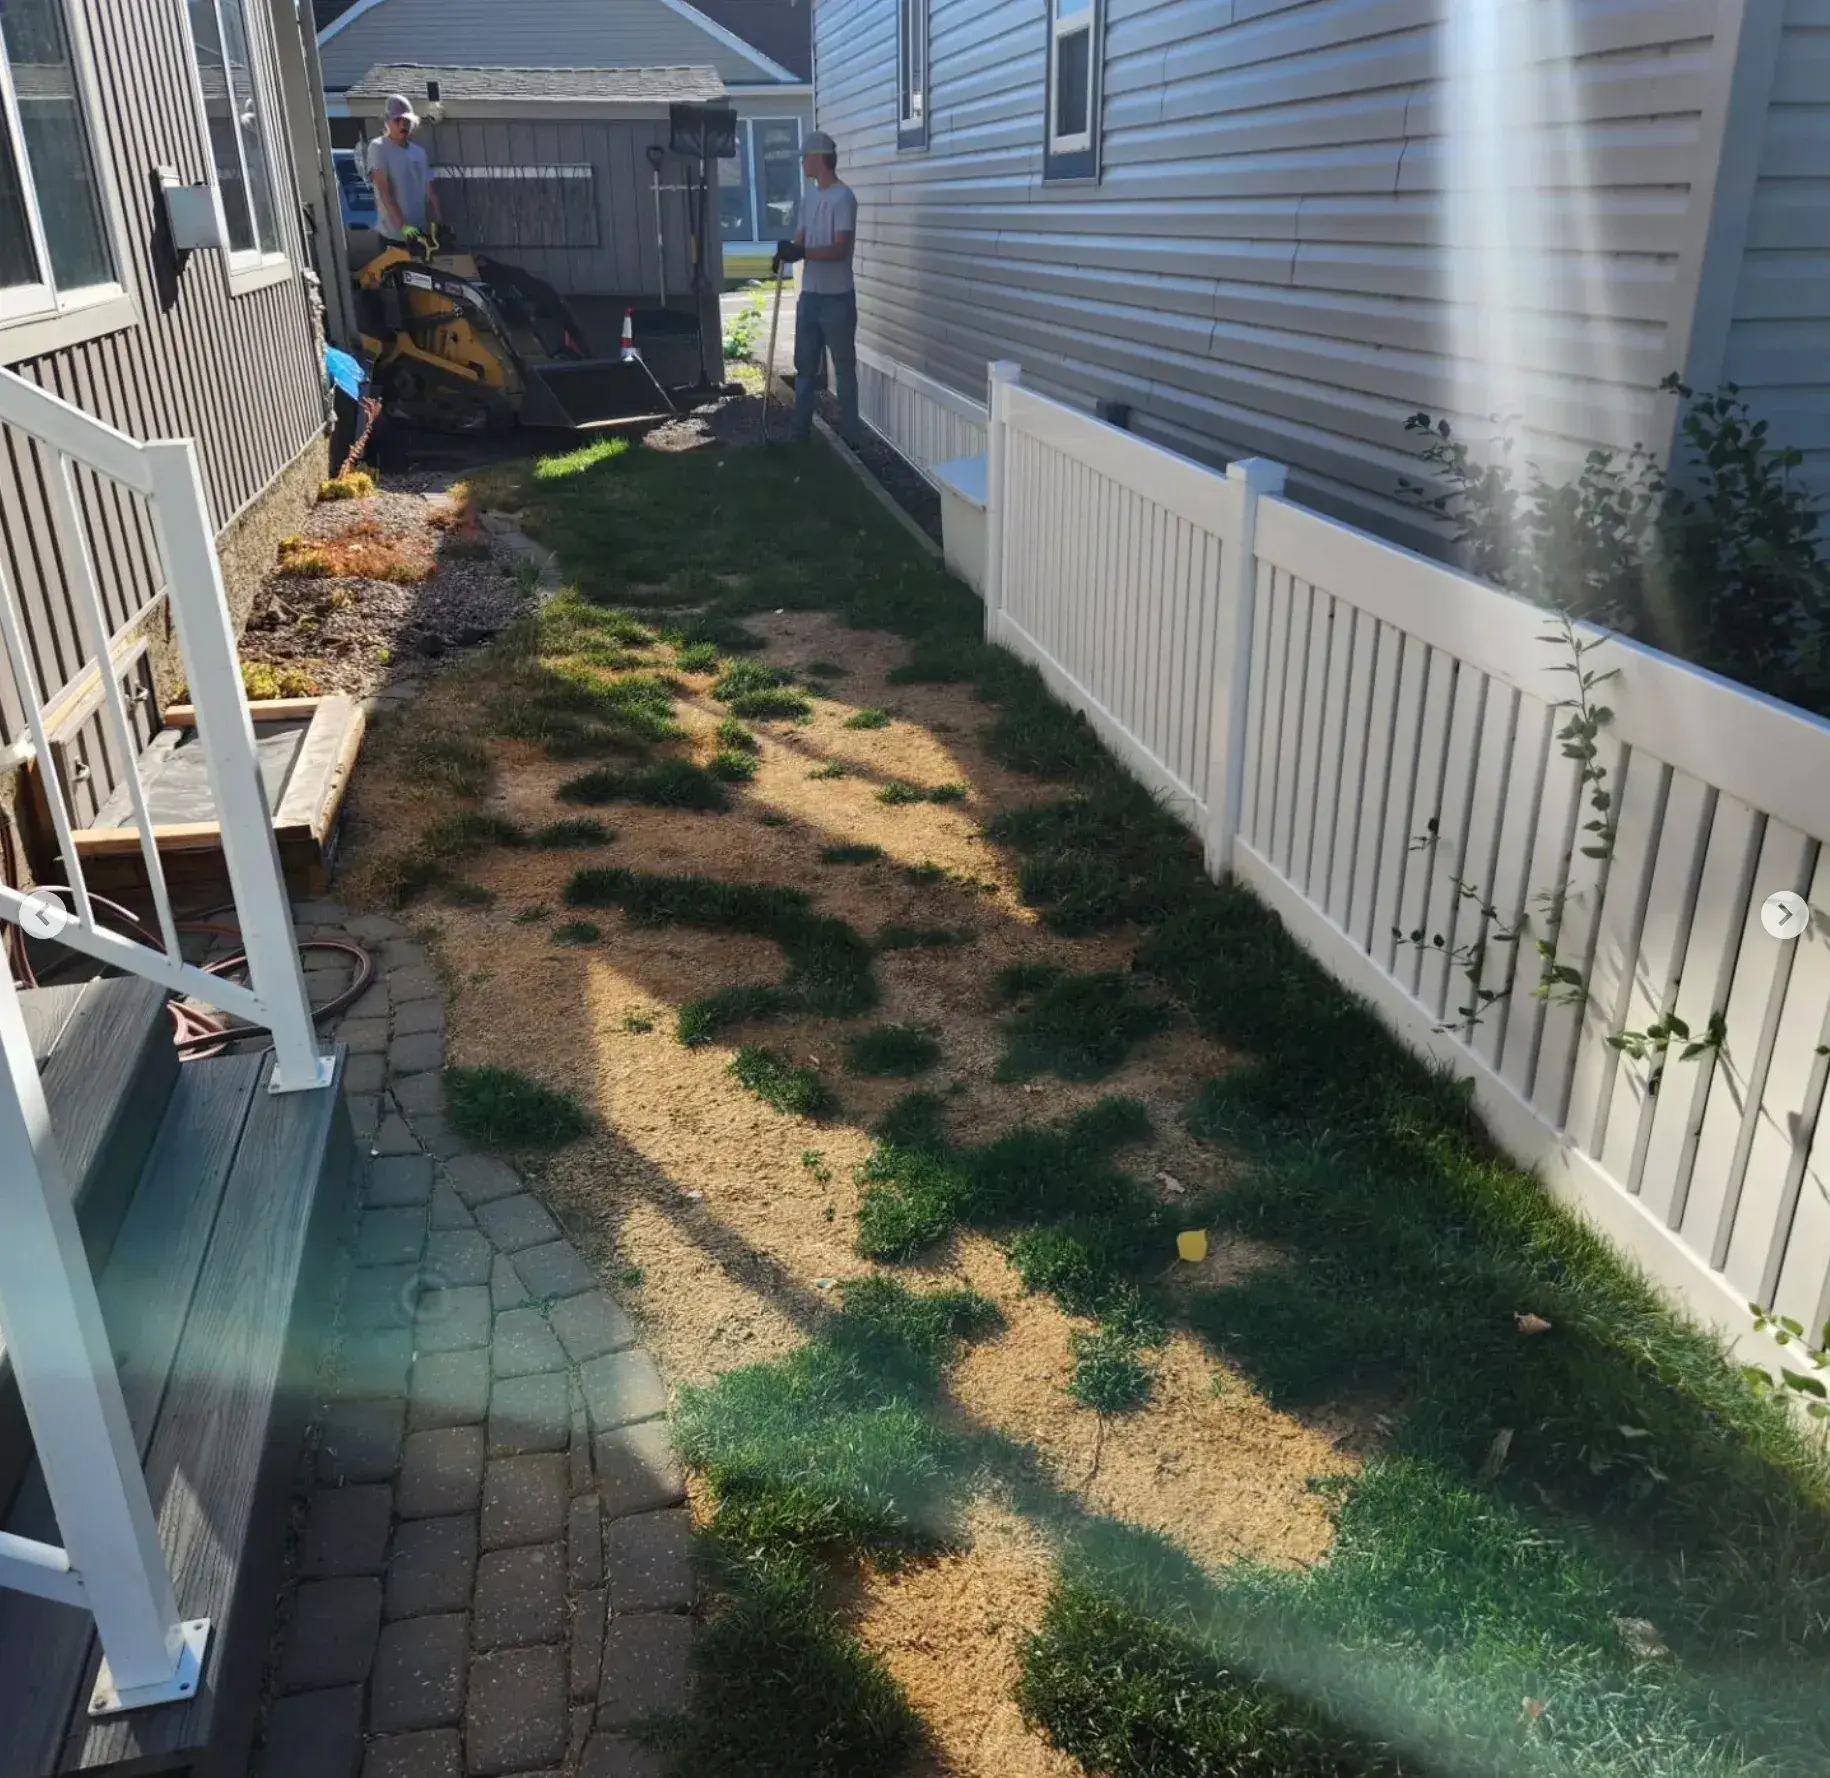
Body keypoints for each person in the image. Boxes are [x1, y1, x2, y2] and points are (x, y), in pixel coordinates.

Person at [773, 130, 858, 444]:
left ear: (818, 158)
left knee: (844, 369)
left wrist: (802, 253)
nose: (802, 163)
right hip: (810, 297)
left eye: (805, 158)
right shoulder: (810, 197)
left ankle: (851, 438)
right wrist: (785, 253)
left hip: (837, 299)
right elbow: (801, 239)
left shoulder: (843, 198)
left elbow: (839, 249)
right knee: (804, 368)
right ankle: (800, 435)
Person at [368, 94, 439, 247]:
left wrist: (436, 222)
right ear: (387, 122)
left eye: (406, 121)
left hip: (420, 233)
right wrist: (403, 226)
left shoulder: (419, 152)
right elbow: (384, 191)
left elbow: (430, 192)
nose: (403, 125)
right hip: (393, 237)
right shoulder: (379, 147)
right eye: (397, 120)